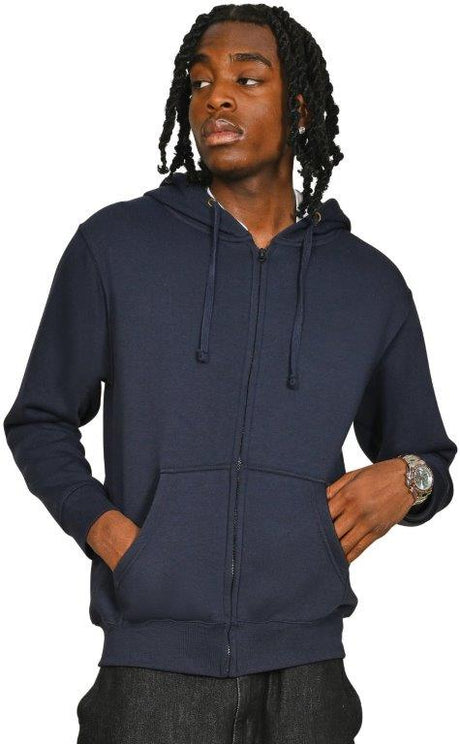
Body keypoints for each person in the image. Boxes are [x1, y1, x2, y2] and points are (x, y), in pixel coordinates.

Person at [3, 4, 457, 743]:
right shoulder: (114, 247)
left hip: (310, 678)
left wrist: (411, 479)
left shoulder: (369, 283)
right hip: (150, 675)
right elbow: (39, 420)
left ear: (298, 108)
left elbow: (428, 458)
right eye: (200, 82)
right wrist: (112, 536)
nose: (216, 97)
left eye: (247, 79)